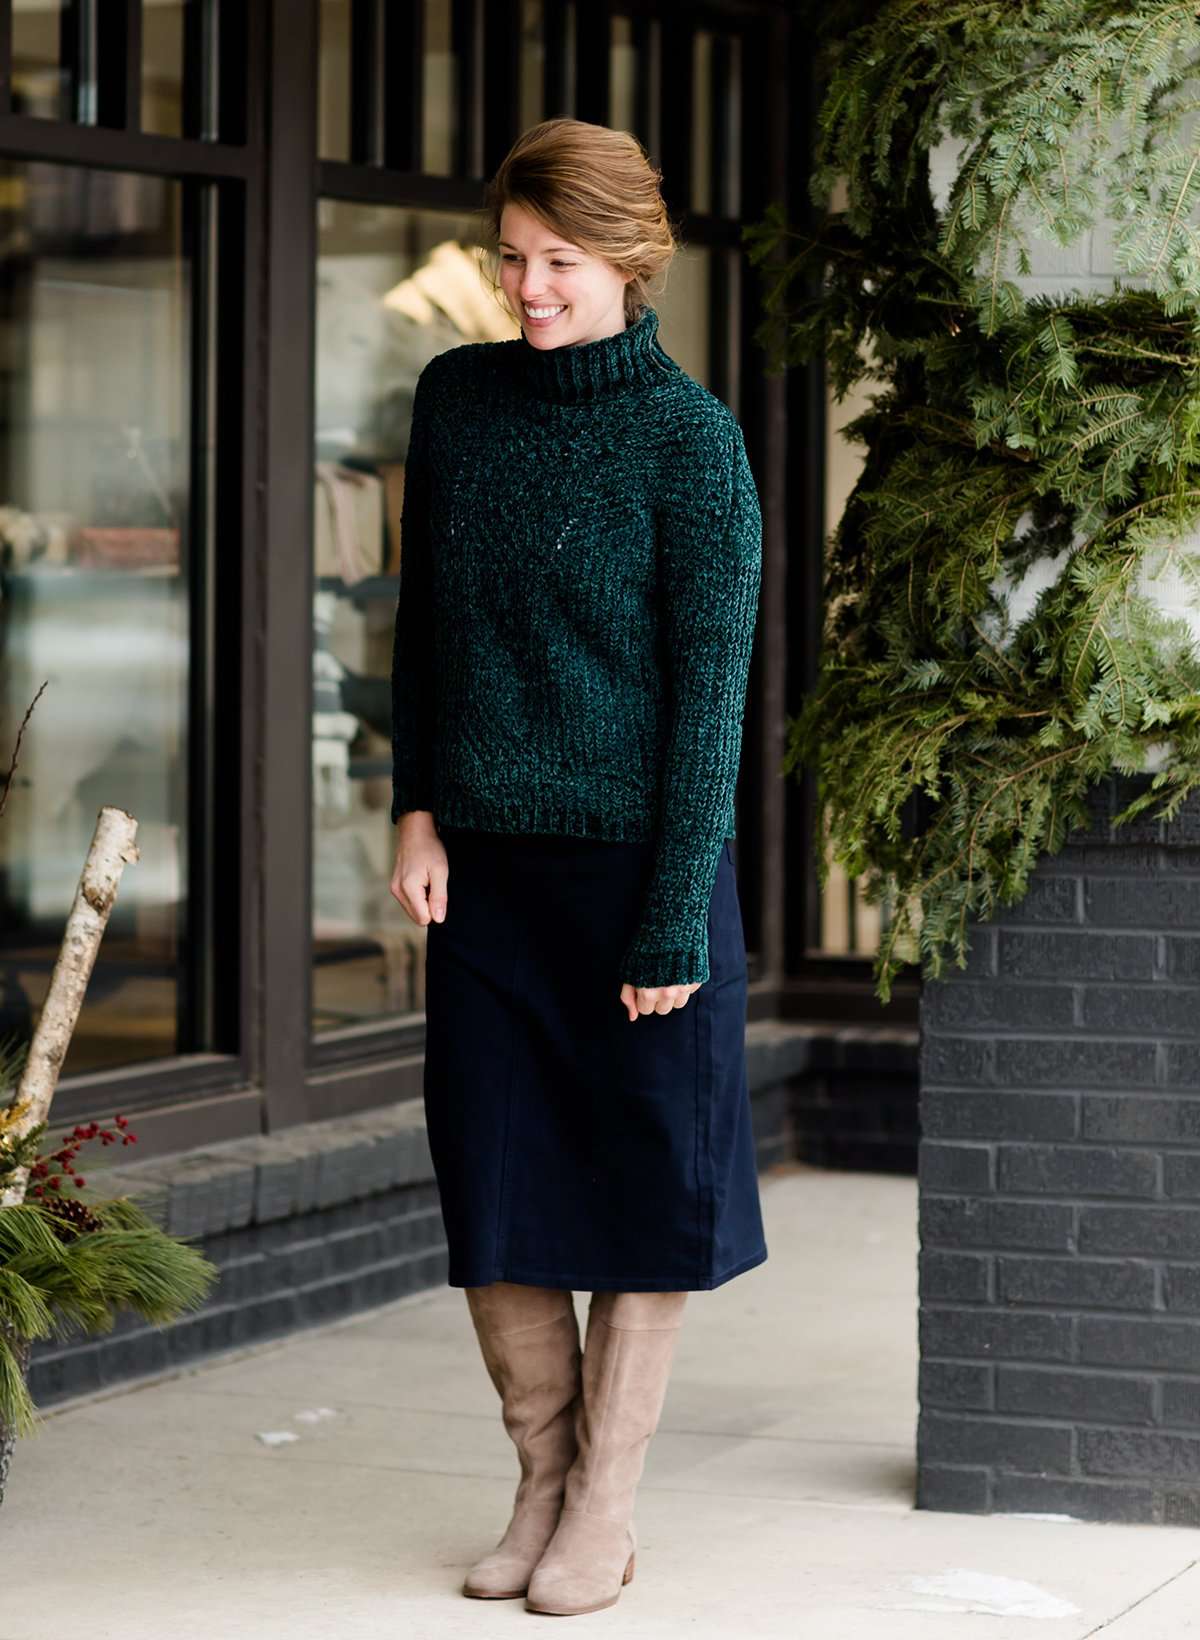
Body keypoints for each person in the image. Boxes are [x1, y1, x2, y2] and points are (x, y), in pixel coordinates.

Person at [388, 116, 766, 1618]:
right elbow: (423, 633)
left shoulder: (694, 443)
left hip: (638, 881)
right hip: (486, 879)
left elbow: (709, 698)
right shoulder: (458, 401)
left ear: (628, 265)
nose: (529, 288)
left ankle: (605, 1501)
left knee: (641, 1193)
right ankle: (538, 1480)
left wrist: (674, 916)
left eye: (559, 262)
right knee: (497, 1185)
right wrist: (419, 808)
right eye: (512, 257)